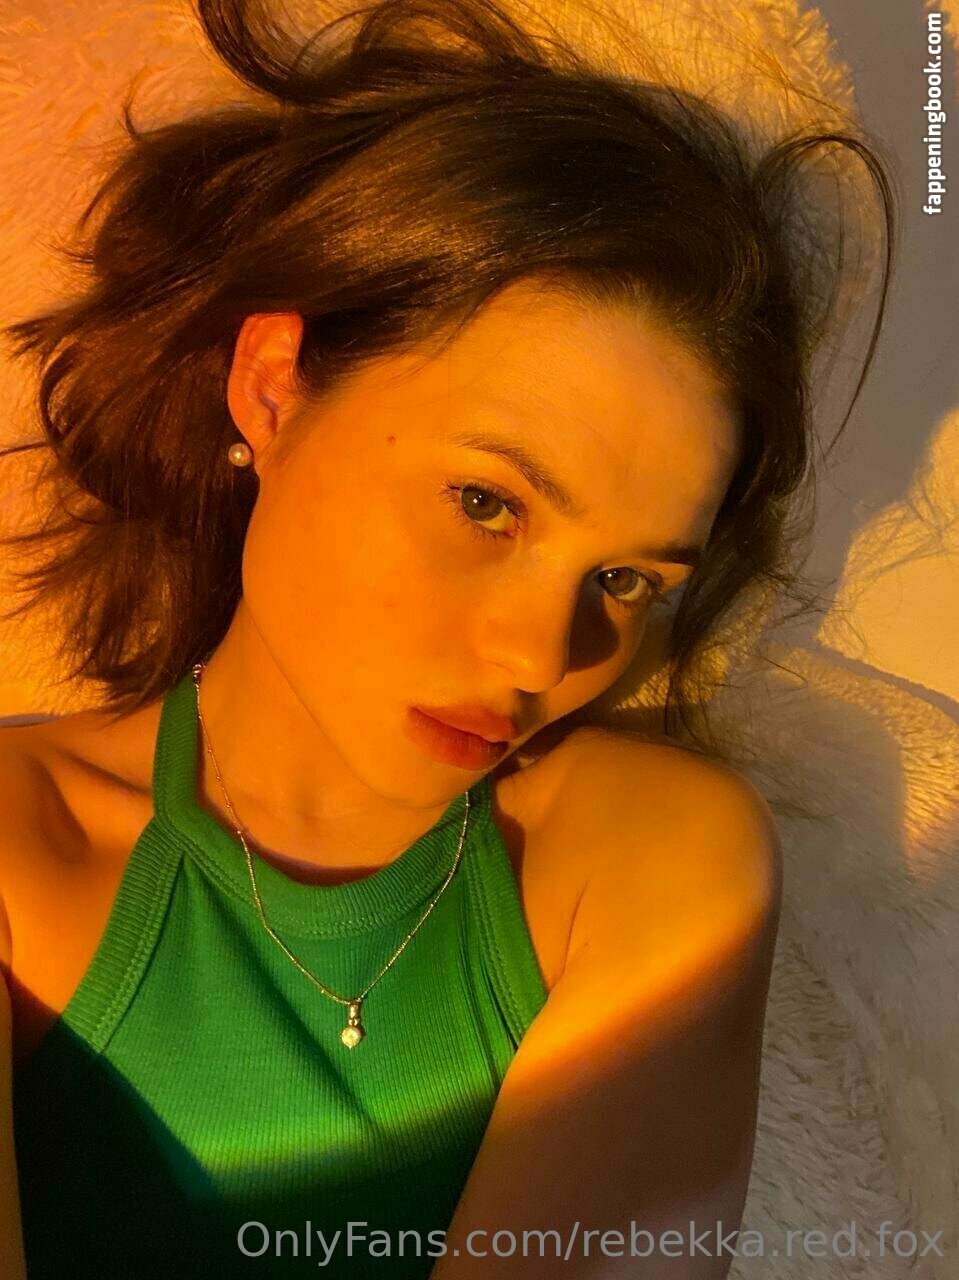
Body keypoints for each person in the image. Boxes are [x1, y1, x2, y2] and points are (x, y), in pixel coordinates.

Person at [0, 0, 895, 1275]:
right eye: (485, 502)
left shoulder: (645, 861)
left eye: (626, 578)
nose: (538, 656)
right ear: (272, 386)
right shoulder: (17, 844)